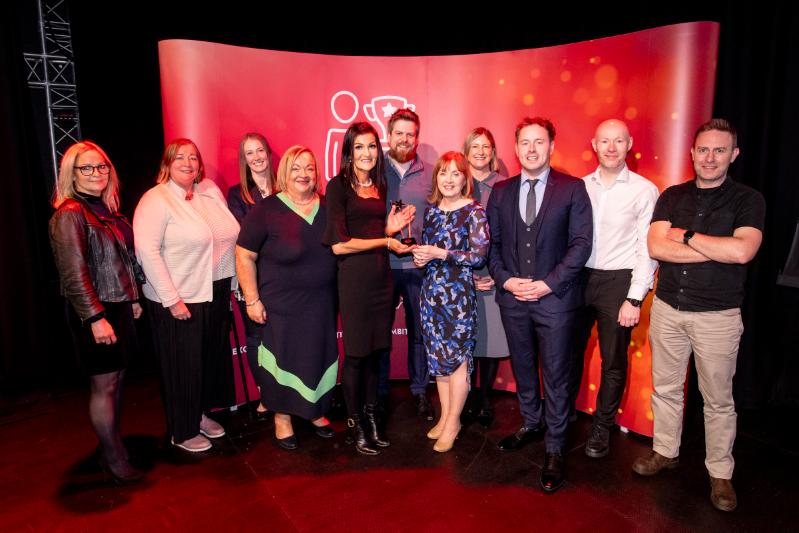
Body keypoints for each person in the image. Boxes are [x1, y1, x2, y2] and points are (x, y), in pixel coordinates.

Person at [632, 119, 765, 512]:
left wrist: (687, 236)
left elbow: (743, 252)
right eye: (703, 150)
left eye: (719, 150)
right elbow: (657, 246)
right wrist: (715, 247)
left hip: (718, 316)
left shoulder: (748, 200)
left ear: (733, 155)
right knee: (666, 389)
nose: (710, 157)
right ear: (692, 153)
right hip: (669, 309)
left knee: (718, 400)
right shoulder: (672, 196)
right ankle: (665, 451)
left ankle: (720, 473)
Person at [486, 117, 592, 492]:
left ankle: (555, 446)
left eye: (539, 142)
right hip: (513, 299)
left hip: (556, 301)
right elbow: (492, 246)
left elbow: (581, 245)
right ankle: (532, 423)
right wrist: (505, 279)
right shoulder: (501, 192)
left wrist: (548, 284)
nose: (531, 149)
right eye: (525, 143)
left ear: (551, 146)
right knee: (524, 366)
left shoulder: (573, 189)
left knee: (557, 374)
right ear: (515, 150)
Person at [134, 138, 240, 453]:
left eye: (193, 157)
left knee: (206, 363)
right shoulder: (156, 199)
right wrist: (171, 299)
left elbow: (224, 239)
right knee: (183, 365)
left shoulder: (208, 192)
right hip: (180, 296)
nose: (188, 162)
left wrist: (233, 285)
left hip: (215, 291)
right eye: (179, 157)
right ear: (166, 164)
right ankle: (182, 430)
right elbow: (146, 252)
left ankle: (199, 414)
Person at [49, 141, 144, 482]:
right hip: (95, 312)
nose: (96, 174)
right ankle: (114, 457)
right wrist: (95, 317)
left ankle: (110, 447)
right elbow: (73, 274)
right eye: (86, 168)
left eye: (101, 166)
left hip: (117, 306)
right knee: (104, 386)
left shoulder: (108, 210)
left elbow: (123, 261)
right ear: (71, 174)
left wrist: (133, 299)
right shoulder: (69, 213)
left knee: (116, 381)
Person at [235, 145, 338, 450]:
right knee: (284, 358)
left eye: (309, 168)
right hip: (281, 307)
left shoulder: (329, 206)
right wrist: (252, 300)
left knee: (317, 355)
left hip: (321, 303)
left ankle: (315, 411)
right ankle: (283, 417)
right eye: (296, 168)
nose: (303, 174)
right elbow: (244, 256)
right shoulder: (266, 210)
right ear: (284, 173)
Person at [568, 119, 659, 458]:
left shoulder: (644, 190)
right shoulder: (578, 187)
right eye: (604, 141)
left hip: (619, 281)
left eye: (618, 141)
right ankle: (561, 417)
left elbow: (646, 249)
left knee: (613, 361)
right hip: (578, 279)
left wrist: (635, 297)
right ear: (593, 144)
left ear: (629, 144)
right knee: (567, 354)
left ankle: (602, 428)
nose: (610, 147)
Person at [323, 122, 415, 455]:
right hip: (355, 281)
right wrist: (386, 240)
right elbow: (339, 245)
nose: (366, 153)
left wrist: (392, 228)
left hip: (381, 277)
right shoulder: (338, 187)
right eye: (359, 147)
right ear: (349, 151)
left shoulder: (379, 184)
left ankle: (374, 419)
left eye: (372, 146)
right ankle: (356, 423)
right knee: (357, 355)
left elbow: (378, 228)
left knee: (378, 353)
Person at [413, 151, 489, 453]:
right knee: (440, 365)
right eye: (443, 173)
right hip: (431, 296)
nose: (448, 179)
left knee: (457, 364)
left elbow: (479, 255)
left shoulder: (474, 211)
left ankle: (454, 422)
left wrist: (440, 254)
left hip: (458, 298)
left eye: (455, 173)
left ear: (464, 179)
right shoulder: (431, 211)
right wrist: (422, 258)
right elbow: (429, 253)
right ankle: (445, 417)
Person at [383, 108, 434, 420]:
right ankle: (379, 393)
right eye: (398, 133)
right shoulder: (373, 169)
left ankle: (420, 392)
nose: (404, 139)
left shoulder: (431, 173)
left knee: (419, 333)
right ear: (389, 135)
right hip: (382, 265)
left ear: (417, 137)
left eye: (410, 133)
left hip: (418, 267)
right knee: (379, 333)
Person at [460, 127, 509, 428]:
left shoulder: (505, 186)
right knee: (466, 341)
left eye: (486, 146)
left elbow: (510, 235)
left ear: (493, 152)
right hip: (461, 275)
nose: (480, 151)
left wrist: (495, 272)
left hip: (493, 273)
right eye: (474, 146)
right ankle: (465, 397)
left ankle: (485, 398)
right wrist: (465, 274)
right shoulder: (454, 182)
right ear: (465, 151)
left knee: (490, 340)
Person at [227, 132, 276, 418]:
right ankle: (265, 393)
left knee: (283, 336)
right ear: (244, 160)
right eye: (249, 153)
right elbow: (245, 236)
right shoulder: (236, 194)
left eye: (260, 151)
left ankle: (287, 391)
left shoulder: (285, 186)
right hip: (254, 276)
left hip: (285, 275)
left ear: (268, 153)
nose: (256, 157)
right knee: (257, 337)